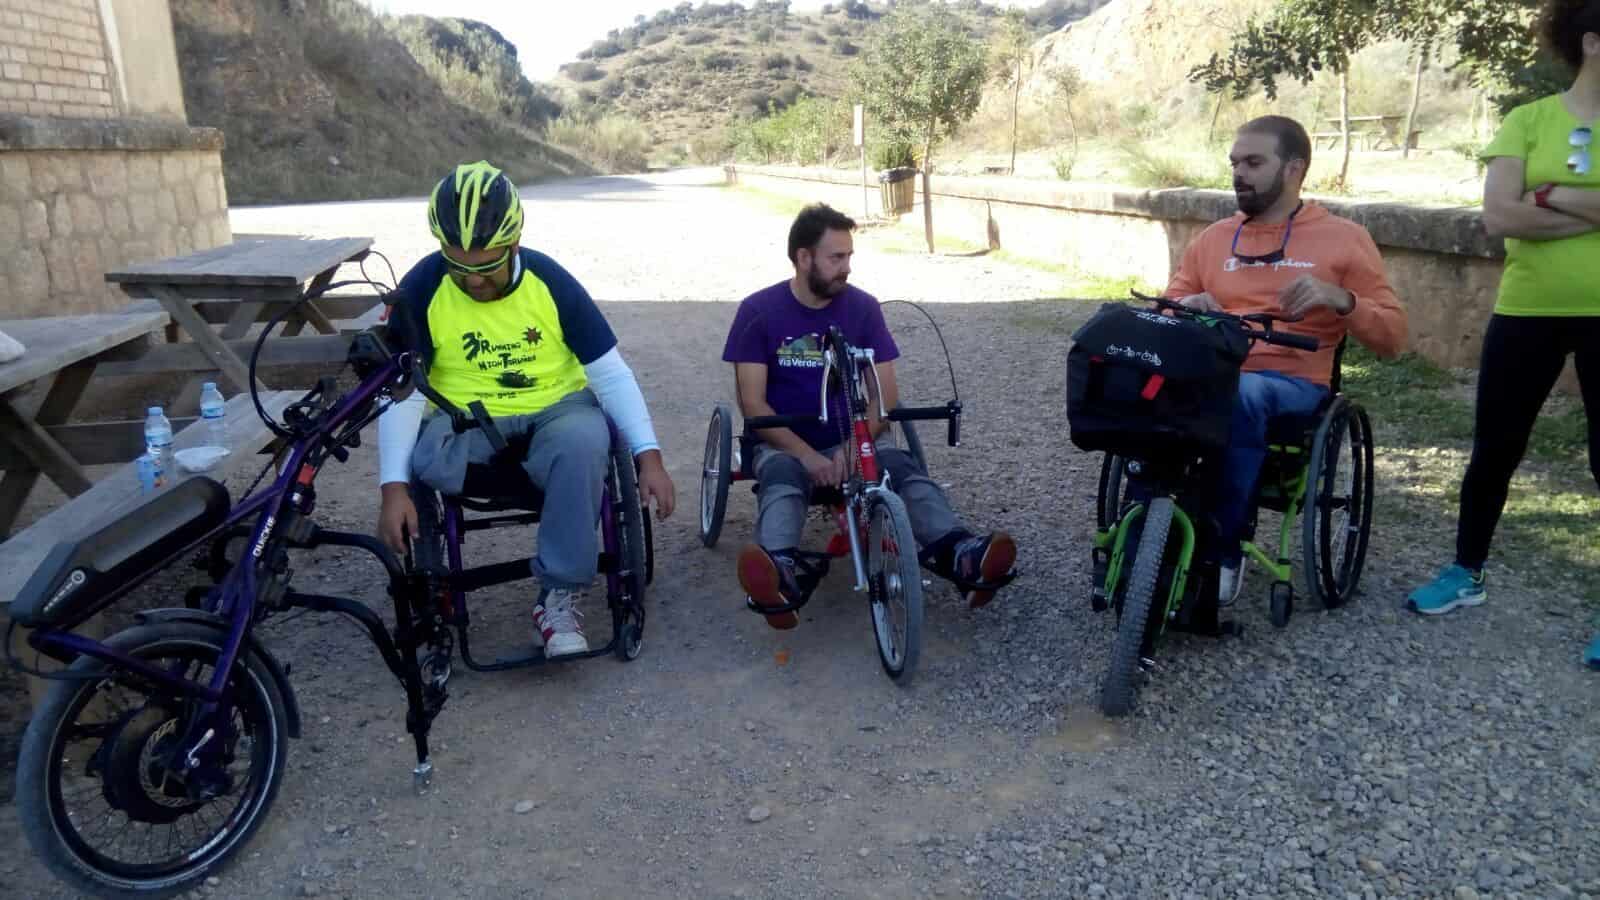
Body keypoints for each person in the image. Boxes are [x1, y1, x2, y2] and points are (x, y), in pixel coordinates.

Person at [374, 161, 676, 657]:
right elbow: (402, 392)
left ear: (514, 244)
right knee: (422, 460)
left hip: (555, 408)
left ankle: (556, 596)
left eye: (485, 267)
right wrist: (393, 489)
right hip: (463, 418)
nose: (472, 282)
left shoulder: (550, 282)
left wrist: (650, 456)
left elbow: (610, 372)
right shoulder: (424, 286)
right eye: (458, 267)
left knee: (585, 441)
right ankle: (434, 578)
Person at [720, 203, 1016, 629]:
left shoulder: (862, 308)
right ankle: (780, 571)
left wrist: (851, 450)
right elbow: (753, 403)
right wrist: (809, 456)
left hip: (852, 436)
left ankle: (962, 553)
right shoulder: (758, 311)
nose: (846, 268)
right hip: (783, 441)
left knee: (901, 468)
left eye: (849, 257)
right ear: (804, 258)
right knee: (783, 480)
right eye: (835, 258)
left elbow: (886, 396)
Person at [1407, 1, 1600, 638]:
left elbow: (1523, 208)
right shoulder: (1528, 120)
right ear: (1592, 43)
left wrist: (1547, 194)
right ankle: (1467, 571)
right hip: (1527, 312)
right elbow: (1499, 217)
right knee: (1495, 449)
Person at [1164, 115, 1408, 605]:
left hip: (1291, 381)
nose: (1239, 173)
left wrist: (1341, 299)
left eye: (1254, 162)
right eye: (1235, 162)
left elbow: (1393, 337)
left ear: (1294, 168)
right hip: (1213, 369)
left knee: (1245, 394)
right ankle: (1147, 530)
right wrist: (1185, 306)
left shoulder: (1343, 238)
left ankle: (1222, 549)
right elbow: (1167, 304)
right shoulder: (1214, 238)